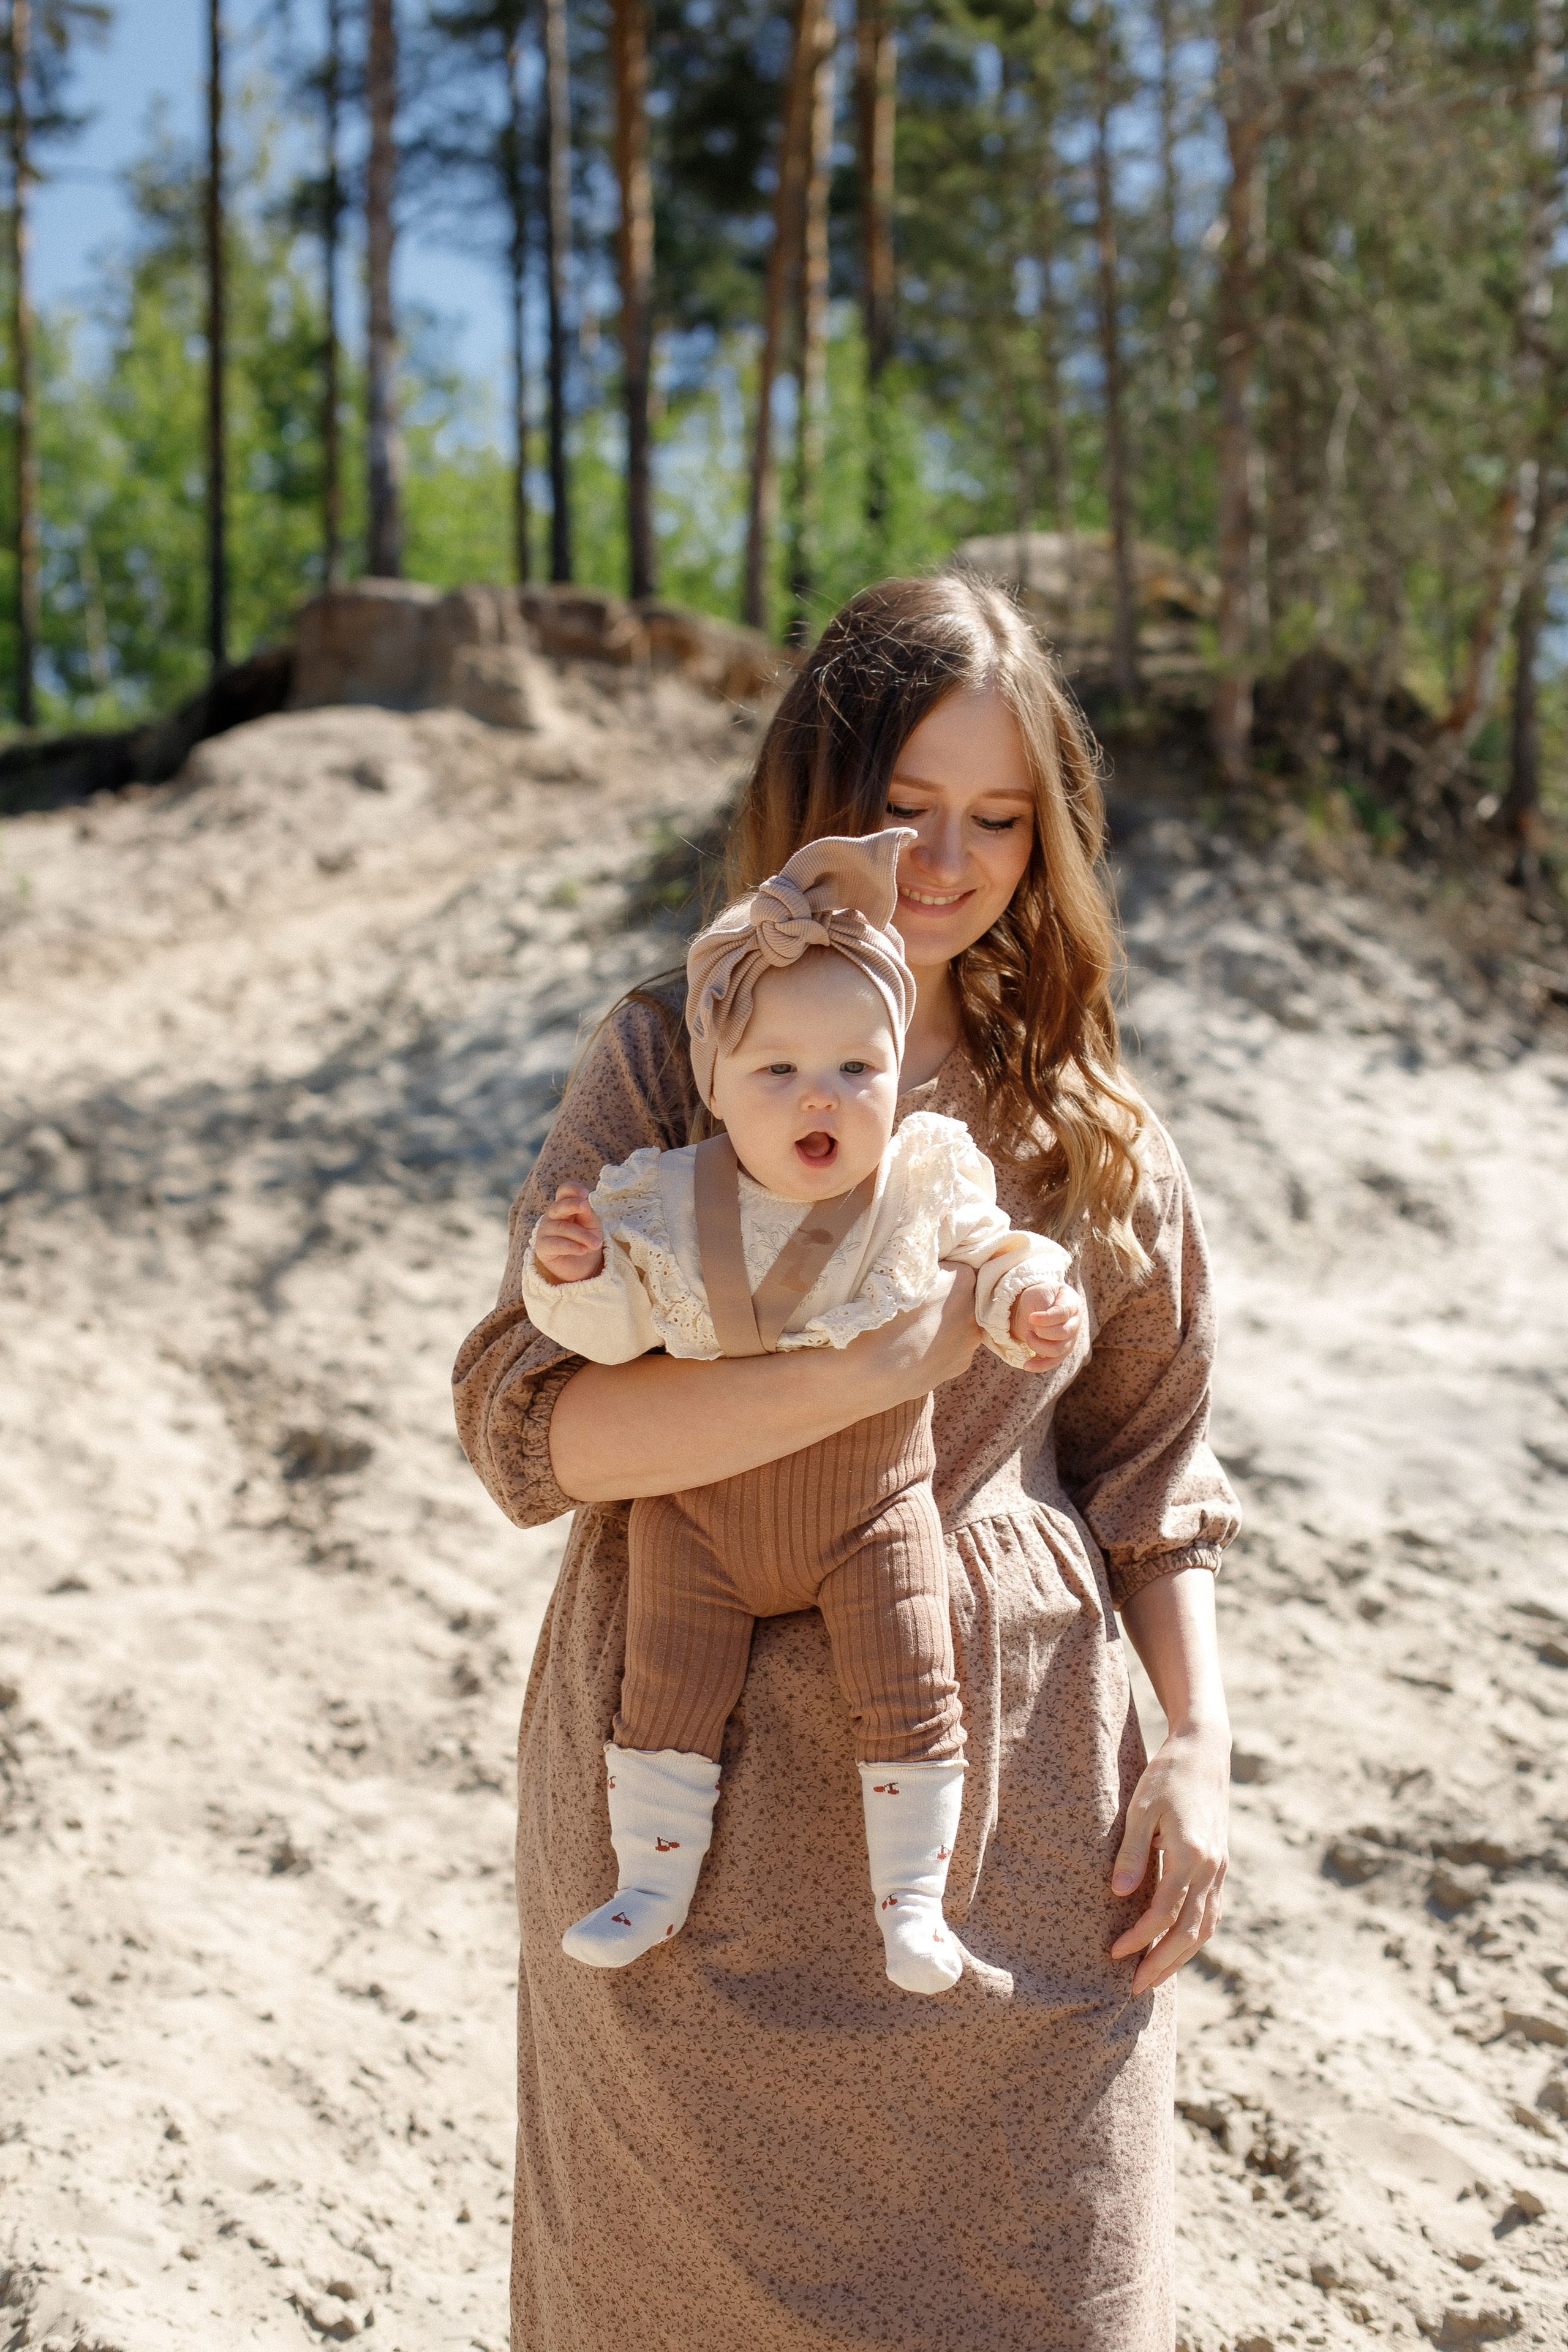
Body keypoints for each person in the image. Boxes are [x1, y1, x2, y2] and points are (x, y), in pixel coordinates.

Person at [453, 573, 1238, 2352]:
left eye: (1001, 821)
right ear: (816, 802)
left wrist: (1197, 1748)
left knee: (1050, 2282)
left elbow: (1151, 1475)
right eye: (910, 814)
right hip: (687, 1786)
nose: (951, 865)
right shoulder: (674, 1049)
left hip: (1014, 1803)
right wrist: (893, 1364)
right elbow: (530, 1426)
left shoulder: (1082, 1112)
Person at [519, 826, 1082, 1991]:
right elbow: (614, 1338)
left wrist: (1031, 1298)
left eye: (855, 1070)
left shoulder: (916, 1187)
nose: (819, 1097)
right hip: (699, 1519)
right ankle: (648, 1887)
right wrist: (574, 1276)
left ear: (897, 1076)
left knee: (910, 1674)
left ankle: (914, 1904)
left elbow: (1000, 1251)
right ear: (714, 1085)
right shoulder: (666, 1199)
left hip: (872, 1513)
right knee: (666, 1687)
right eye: (777, 1072)